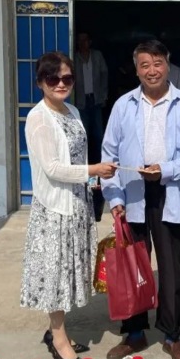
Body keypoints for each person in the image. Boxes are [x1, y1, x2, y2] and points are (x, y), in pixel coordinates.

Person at [101, 40, 180, 359]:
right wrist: (115, 197)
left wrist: (166, 169)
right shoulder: (123, 105)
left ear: (169, 65)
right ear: (136, 69)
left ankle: (172, 334)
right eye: (145, 64)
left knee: (172, 268)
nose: (152, 70)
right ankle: (134, 333)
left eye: (158, 63)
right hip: (133, 191)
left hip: (170, 192)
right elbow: (110, 154)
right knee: (133, 265)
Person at [20, 51, 116, 359]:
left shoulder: (72, 111)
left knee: (72, 273)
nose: (61, 84)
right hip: (55, 209)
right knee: (57, 275)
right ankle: (58, 338)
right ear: (40, 82)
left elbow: (74, 157)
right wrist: (93, 171)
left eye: (67, 78)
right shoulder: (38, 118)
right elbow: (53, 169)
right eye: (53, 78)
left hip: (77, 203)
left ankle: (59, 330)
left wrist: (91, 183)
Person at [74, 31, 109, 221]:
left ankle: (101, 167)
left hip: (95, 100)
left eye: (85, 40)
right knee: (83, 136)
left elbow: (104, 75)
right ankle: (86, 168)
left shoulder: (97, 56)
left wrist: (103, 95)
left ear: (90, 41)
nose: (83, 43)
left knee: (99, 135)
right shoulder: (75, 58)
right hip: (80, 101)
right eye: (80, 40)